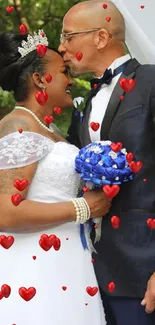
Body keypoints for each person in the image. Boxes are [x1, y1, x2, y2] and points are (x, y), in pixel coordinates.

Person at [0, 30, 111, 325]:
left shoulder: (49, 129)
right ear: (39, 80)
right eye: (62, 72)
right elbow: (5, 211)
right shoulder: (19, 126)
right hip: (35, 267)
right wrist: (84, 208)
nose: (71, 79)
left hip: (68, 260)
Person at [58, 1, 155, 324]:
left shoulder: (151, 82)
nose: (62, 47)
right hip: (90, 270)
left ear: (101, 37)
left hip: (144, 268)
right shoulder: (84, 102)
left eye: (68, 36)